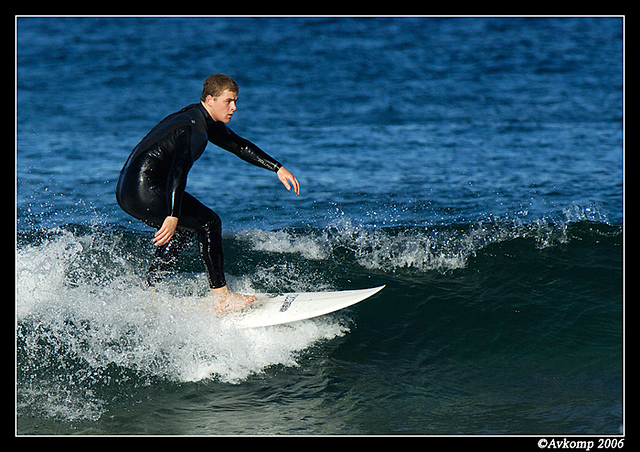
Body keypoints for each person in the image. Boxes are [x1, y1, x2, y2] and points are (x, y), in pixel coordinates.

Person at [116, 74, 300, 312]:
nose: (234, 107)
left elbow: (238, 145)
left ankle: (148, 289)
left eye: (235, 101)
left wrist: (277, 168)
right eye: (229, 101)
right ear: (211, 99)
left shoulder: (199, 119)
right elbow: (178, 171)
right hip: (144, 189)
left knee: (183, 231)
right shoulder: (193, 129)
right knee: (209, 223)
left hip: (130, 189)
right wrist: (172, 215)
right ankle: (222, 297)